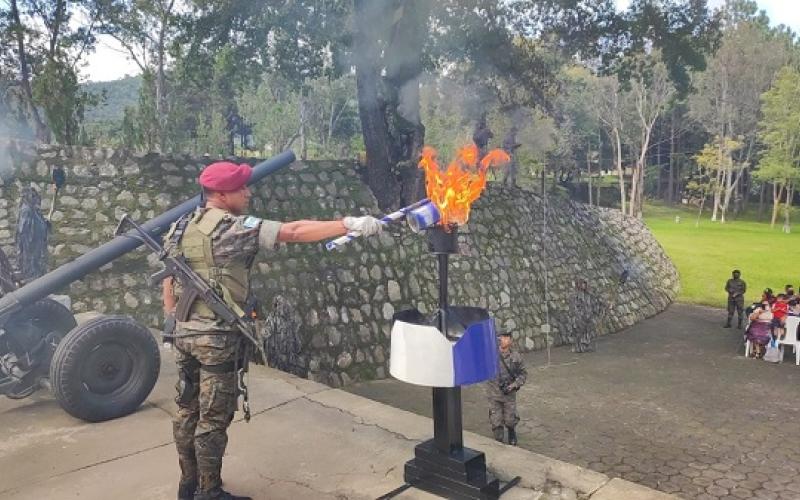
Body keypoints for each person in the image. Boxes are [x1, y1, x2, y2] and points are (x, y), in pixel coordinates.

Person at [163, 161, 382, 500]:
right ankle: (210, 491)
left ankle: (187, 484)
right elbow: (293, 231)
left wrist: (171, 318)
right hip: (216, 338)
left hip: (183, 333)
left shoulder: (181, 225)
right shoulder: (232, 228)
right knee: (213, 417)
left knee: (187, 409)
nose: (248, 193)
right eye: (240, 189)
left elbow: (168, 275)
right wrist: (347, 224)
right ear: (221, 194)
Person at [486, 331, 527, 446]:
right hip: (494, 393)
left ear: (510, 341)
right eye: (501, 337)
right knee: (496, 420)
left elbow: (523, 374)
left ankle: (511, 432)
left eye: (505, 338)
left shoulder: (516, 357)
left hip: (509, 394)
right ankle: (498, 440)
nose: (502, 340)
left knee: (510, 420)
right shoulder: (491, 355)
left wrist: (514, 385)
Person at [570, 279, 603, 352]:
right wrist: (579, 316)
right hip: (579, 318)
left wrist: (596, 312)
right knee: (579, 332)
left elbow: (595, 304)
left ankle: (587, 345)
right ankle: (578, 347)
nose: (583, 285)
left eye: (584, 284)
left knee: (589, 331)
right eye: (582, 284)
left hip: (589, 316)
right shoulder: (574, 296)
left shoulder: (590, 295)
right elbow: (574, 307)